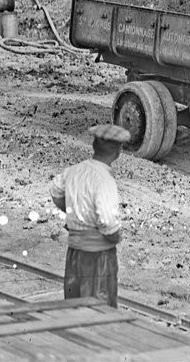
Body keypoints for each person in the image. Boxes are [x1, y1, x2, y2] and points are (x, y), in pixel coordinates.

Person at [50, 123, 131, 307]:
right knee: (99, 310)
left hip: (75, 253)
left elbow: (55, 190)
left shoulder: (75, 170)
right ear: (118, 152)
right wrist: (116, 236)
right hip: (98, 257)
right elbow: (108, 223)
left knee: (73, 306)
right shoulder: (105, 180)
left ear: (94, 146)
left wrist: (74, 213)